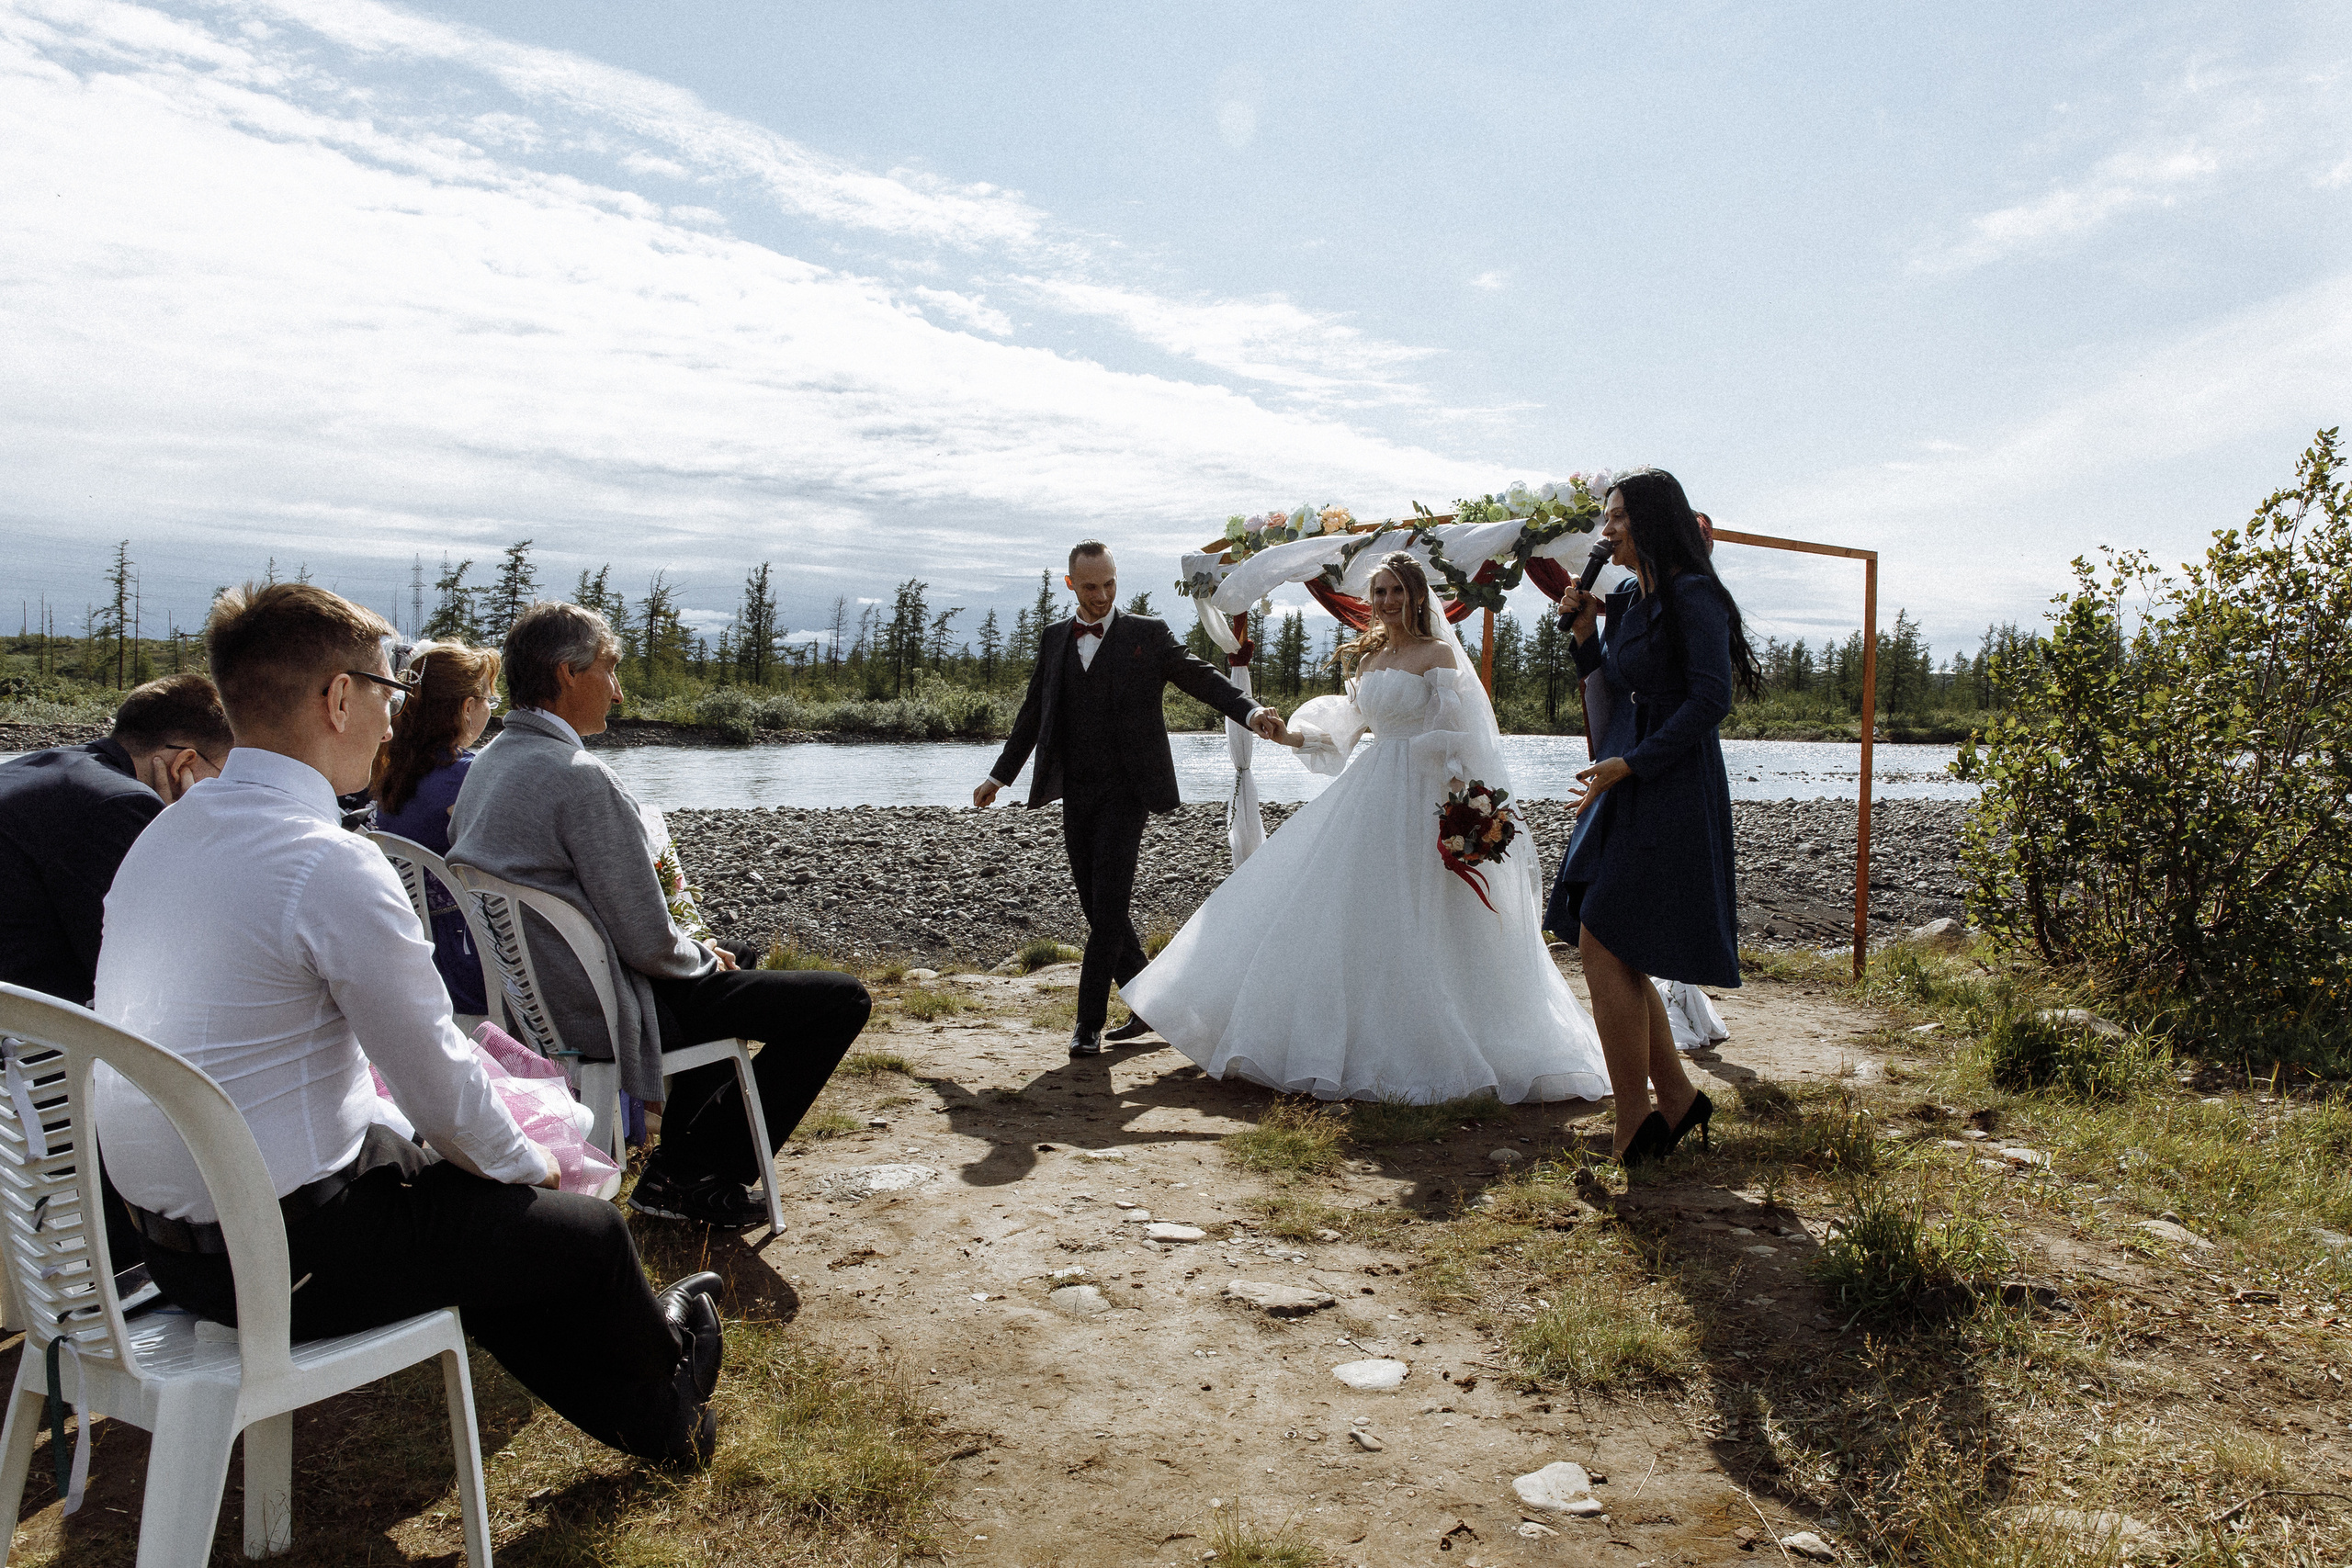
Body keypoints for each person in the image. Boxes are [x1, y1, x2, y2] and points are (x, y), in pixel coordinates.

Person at [92, 582, 725, 1463]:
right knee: (580, 1227)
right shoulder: (325, 862)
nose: (394, 718)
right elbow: (437, 1080)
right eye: (388, 691)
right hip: (277, 1261)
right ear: (338, 697)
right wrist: (533, 1166)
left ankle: (658, 1395)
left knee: (476, 1215)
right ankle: (673, 1379)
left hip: (165, 1250)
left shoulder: (163, 837)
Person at [1120, 553, 1611, 1106]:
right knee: (1344, 904)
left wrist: (1464, 811)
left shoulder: (1437, 654)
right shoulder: (1370, 658)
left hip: (1424, 795)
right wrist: (1288, 736)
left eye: (1397, 590)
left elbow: (1458, 739)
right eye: (1379, 592)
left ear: (1417, 595)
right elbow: (1346, 731)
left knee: (1424, 913)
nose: (1387, 601)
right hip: (1372, 786)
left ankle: (1437, 1043)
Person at [450, 601, 871, 1228]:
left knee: (736, 955)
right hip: (598, 1010)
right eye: (609, 668)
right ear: (567, 673)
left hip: (537, 1000)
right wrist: (701, 957)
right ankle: (694, 1174)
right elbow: (649, 943)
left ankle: (681, 1161)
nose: (618, 691)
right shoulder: (579, 778)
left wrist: (705, 954)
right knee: (840, 1001)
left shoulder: (490, 763)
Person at [975, 541, 1287, 1056]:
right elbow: (1033, 713)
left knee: (1109, 904)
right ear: (1071, 584)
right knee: (1097, 907)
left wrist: (1250, 712)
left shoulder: (1148, 634)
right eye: (1090, 587)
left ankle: (1087, 1024)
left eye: (1110, 584)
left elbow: (1202, 678)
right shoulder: (1054, 638)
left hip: (1129, 791)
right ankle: (1152, 1002)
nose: (1102, 596)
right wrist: (998, 776)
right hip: (1077, 791)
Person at [1545, 468, 1760, 1165]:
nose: (1606, 532)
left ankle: (1634, 1121)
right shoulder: (1629, 598)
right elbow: (1615, 684)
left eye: (1616, 518)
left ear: (1651, 521)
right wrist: (1586, 634)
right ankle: (1674, 1100)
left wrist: (1634, 764)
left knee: (1604, 936)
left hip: (1669, 781)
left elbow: (1710, 700)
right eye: (1606, 519)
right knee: (1613, 938)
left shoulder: (1696, 595)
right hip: (1625, 775)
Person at [0, 672, 232, 1006]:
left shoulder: (42, 767)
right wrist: (180, 830)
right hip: (26, 1028)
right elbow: (151, 971)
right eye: (223, 774)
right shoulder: (121, 804)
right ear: (184, 763)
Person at [371, 641, 502, 1016]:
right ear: (467, 707)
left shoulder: (395, 770)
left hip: (417, 951)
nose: (490, 709)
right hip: (469, 959)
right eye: (489, 700)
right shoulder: (462, 776)